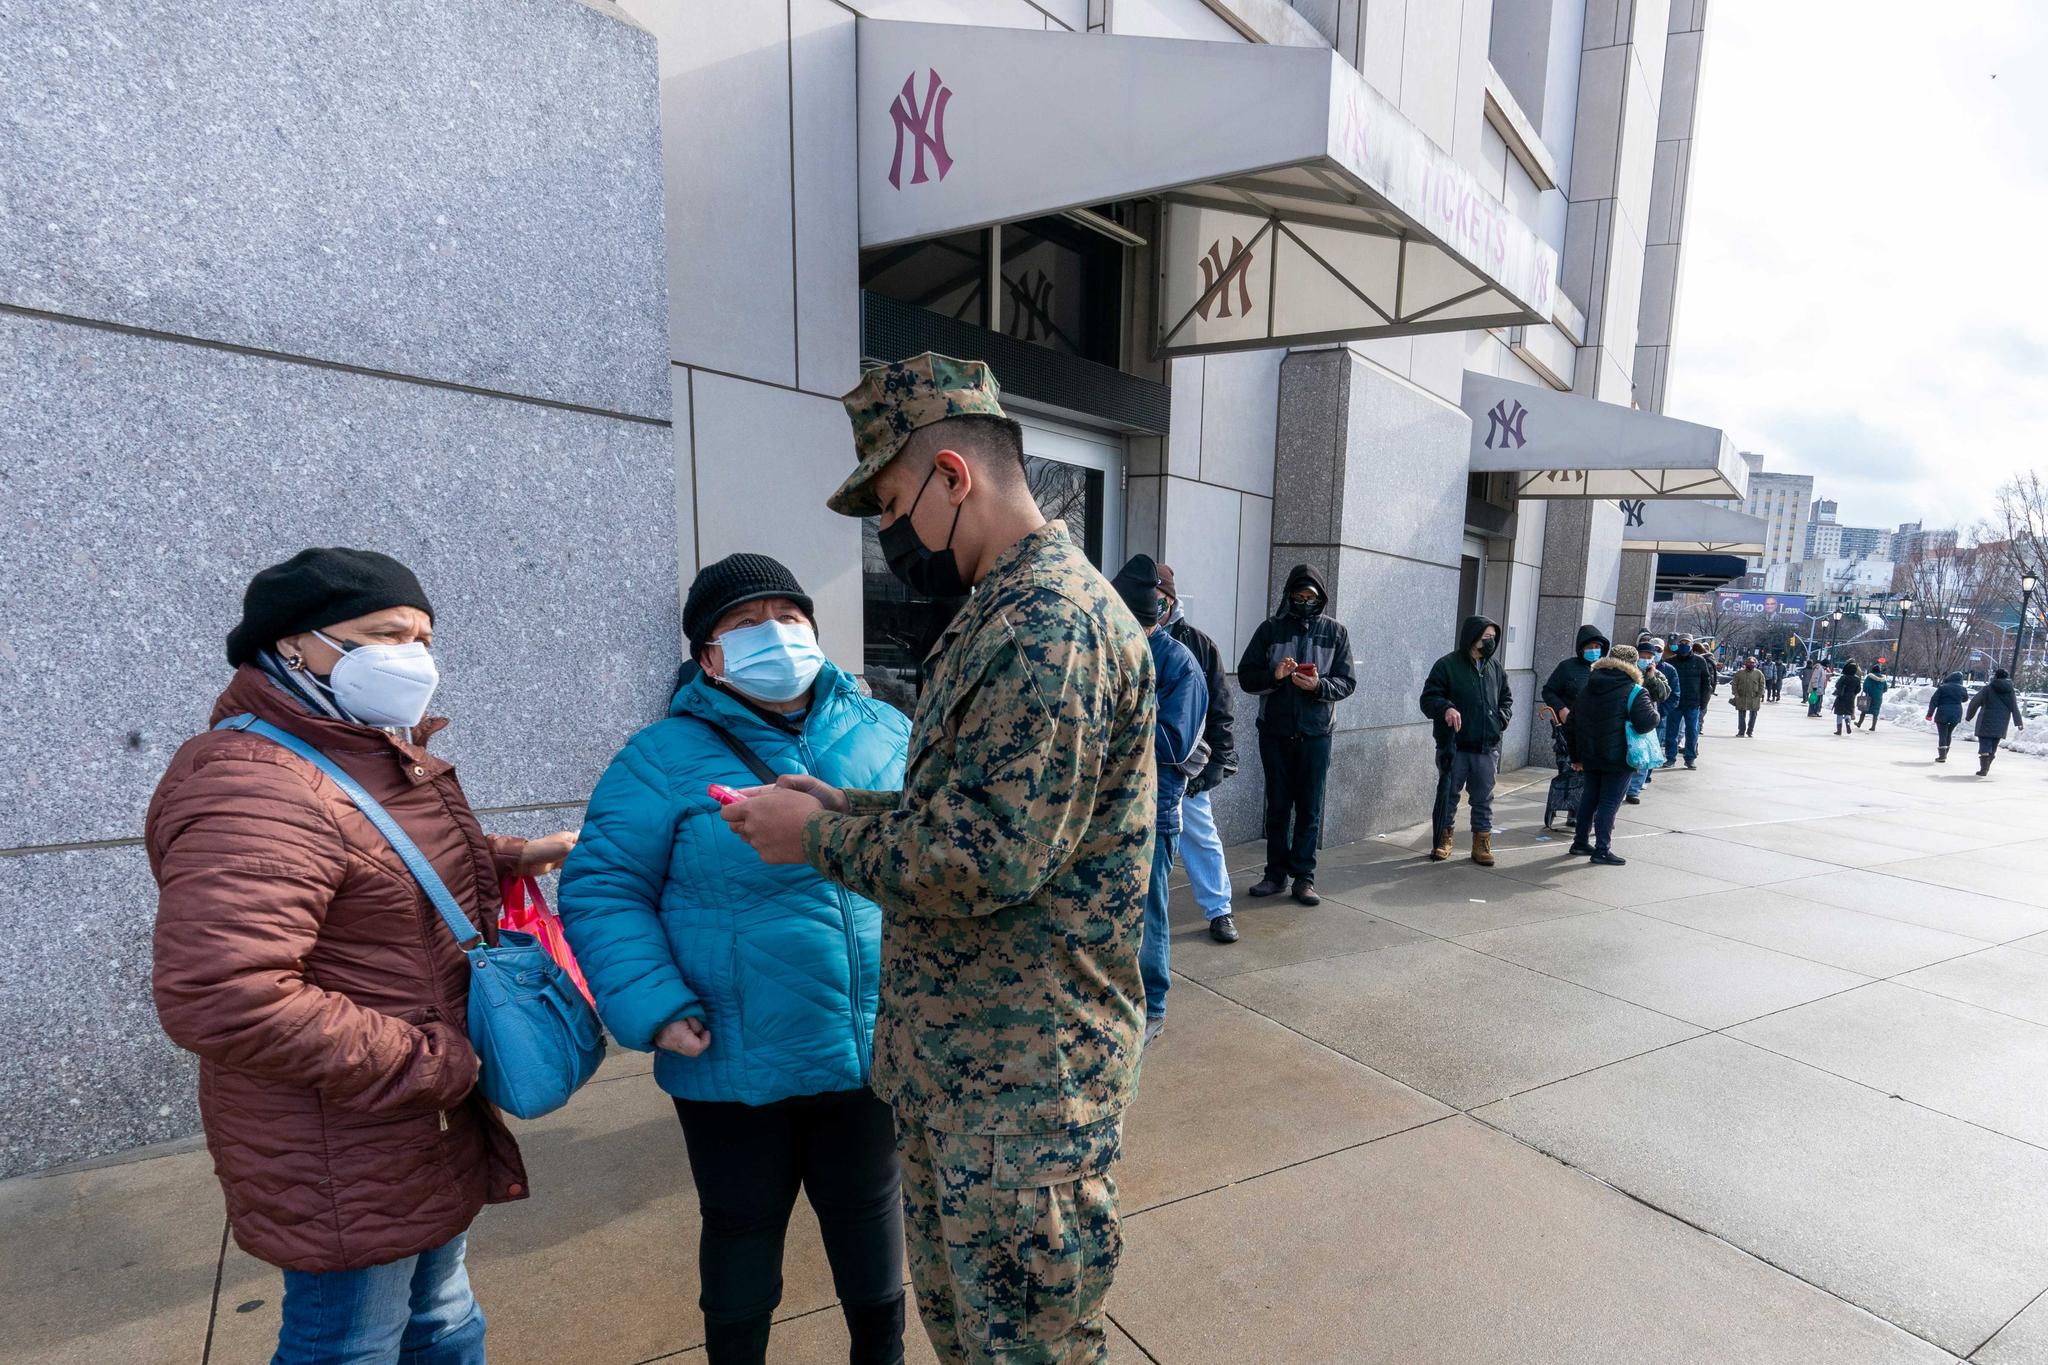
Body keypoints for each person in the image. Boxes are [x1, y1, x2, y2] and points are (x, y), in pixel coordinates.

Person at [717, 353, 1154, 1365]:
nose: (886, 533)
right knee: (971, 1341)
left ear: (953, 477)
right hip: (969, 1080)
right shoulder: (1003, 609)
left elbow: (988, 856)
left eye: (889, 501)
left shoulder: (1046, 625)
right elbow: (977, 807)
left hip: (1023, 1093)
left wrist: (812, 837)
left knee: (1023, 1351)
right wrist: (848, 803)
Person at [147, 548, 578, 1365]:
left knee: (442, 1318)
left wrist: (514, 855)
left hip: (411, 1119)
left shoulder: (358, 748)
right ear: (293, 646)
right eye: (385, 634)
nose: (413, 658)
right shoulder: (253, 781)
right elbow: (224, 991)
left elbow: (373, 854)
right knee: (352, 1343)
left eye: (421, 636)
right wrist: (434, 1060)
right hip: (346, 1136)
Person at [557, 555, 912, 1365]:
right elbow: (602, 887)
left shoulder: (885, 729)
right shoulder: (660, 756)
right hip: (728, 1054)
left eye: (791, 616)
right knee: (743, 1231)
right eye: (750, 623)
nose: (778, 635)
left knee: (871, 1220)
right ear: (707, 656)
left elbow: (929, 855)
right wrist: (652, 1001)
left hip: (867, 1045)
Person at [1111, 555, 1208, 1043]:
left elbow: (1176, 743)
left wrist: (1115, 724)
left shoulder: (1178, 663)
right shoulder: (1112, 650)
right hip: (1108, 810)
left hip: (1153, 811)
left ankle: (1155, 1003)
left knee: (1150, 913)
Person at [1237, 565, 1357, 906]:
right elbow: (1247, 677)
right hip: (1275, 732)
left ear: (1320, 599)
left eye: (1310, 597)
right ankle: (1275, 874)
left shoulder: (1335, 632)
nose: (1304, 602)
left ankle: (1304, 878)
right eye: (1298, 597)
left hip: (1316, 733)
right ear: (1289, 596)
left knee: (1309, 807)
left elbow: (1347, 682)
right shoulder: (1270, 629)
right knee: (1277, 807)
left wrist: (1319, 685)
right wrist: (1274, 676)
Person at [1158, 563, 1241, 944]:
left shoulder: (1198, 644)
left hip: (1185, 765)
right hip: (1139, 765)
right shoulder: (1120, 637)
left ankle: (1219, 909)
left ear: (1172, 601)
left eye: (1161, 600)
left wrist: (1218, 762)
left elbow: (1221, 709)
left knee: (1201, 836)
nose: (1153, 607)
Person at [1418, 615, 1512, 865]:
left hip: (1486, 746)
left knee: (1483, 798)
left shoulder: (1495, 668)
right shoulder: (1447, 665)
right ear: (1472, 638)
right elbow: (1428, 700)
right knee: (1448, 795)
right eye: (1486, 638)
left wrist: (1500, 719)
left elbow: (1506, 699)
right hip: (1455, 745)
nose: (1490, 642)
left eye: (1493, 638)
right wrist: (1446, 708)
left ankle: (1481, 841)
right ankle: (1442, 839)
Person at [1566, 643, 1661, 866]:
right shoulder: (1635, 691)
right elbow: (1647, 722)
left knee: (1589, 798)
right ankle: (1602, 849)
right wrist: (1655, 713)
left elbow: (1571, 723)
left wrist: (1576, 756)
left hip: (1590, 755)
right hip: (1619, 757)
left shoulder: (1589, 687)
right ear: (1633, 664)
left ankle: (1580, 842)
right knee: (1609, 802)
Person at [1539, 624, 1610, 830]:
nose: (1594, 650)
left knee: (1591, 774)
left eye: (1597, 646)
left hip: (1597, 730)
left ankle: (1584, 812)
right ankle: (1572, 808)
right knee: (1570, 769)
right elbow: (1548, 691)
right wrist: (1560, 708)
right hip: (1570, 730)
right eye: (1590, 646)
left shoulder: (1606, 669)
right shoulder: (1566, 667)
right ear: (1581, 647)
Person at [1627, 637, 1678, 804]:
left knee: (1643, 756)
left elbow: (1663, 695)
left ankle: (1634, 790)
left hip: (1647, 720)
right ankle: (1624, 786)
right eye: (1643, 656)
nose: (1646, 659)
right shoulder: (1626, 671)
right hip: (1627, 718)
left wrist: (1651, 678)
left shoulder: (1658, 674)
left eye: (1650, 656)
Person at [1663, 636, 1715, 768]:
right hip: (1675, 703)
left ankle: (1690, 758)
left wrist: (1703, 702)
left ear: (1692, 645)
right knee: (1671, 732)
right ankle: (1670, 758)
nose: (1684, 645)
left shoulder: (1700, 661)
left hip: (1693, 703)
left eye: (1687, 643)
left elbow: (1706, 683)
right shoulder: (1671, 662)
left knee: (1692, 732)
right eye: (1681, 643)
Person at [1967, 667, 2026, 776]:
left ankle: (1983, 768)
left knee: (1985, 744)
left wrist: (1969, 716)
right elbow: (2014, 707)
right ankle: (1987, 767)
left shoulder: (1987, 689)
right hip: (2001, 722)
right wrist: (2019, 722)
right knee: (1993, 745)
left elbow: (1975, 702)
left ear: (1995, 676)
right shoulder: (2010, 691)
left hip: (1985, 720)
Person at [1927, 670, 1968, 762]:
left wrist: (1930, 714)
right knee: (1949, 734)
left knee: (1942, 734)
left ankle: (1942, 756)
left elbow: (1934, 701)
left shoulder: (1942, 688)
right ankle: (1945, 753)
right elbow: (1965, 699)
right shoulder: (1962, 689)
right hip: (1956, 713)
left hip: (1943, 712)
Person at [1730, 656, 1765, 737]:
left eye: (1752, 663)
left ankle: (1750, 731)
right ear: (1745, 663)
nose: (1751, 664)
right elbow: (1734, 683)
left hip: (1754, 698)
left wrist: (1760, 695)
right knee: (1741, 714)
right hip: (1742, 697)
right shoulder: (1739, 673)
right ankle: (1741, 731)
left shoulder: (1759, 673)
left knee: (1753, 715)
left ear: (1755, 664)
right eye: (1749, 663)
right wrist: (1735, 693)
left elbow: (1762, 685)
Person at [1832, 659, 1863, 735]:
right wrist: (1853, 693)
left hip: (1841, 697)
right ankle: (1848, 723)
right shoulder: (1857, 679)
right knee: (1848, 713)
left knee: (1839, 713)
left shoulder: (1844, 677)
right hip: (1851, 697)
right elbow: (1858, 689)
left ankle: (1839, 731)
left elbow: (1837, 685)